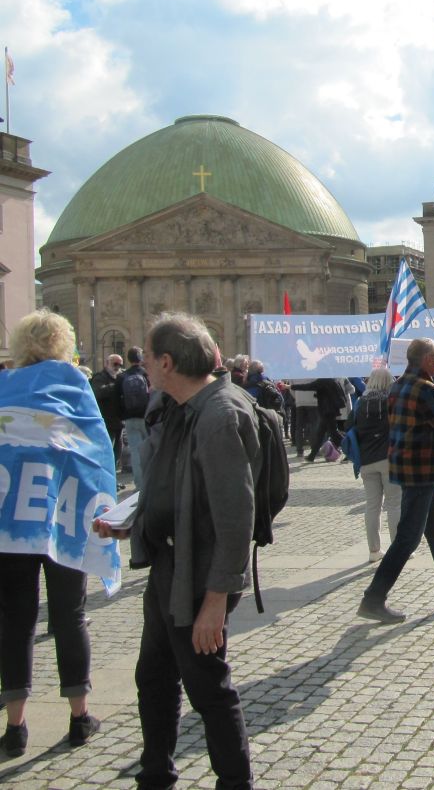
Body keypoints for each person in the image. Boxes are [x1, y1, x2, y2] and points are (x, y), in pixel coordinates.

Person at [94, 313, 258, 788]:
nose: (142, 366)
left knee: (208, 689)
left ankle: (235, 782)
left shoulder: (220, 413)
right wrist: (134, 524)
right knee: (155, 678)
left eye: (146, 357)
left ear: (166, 362)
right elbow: (171, 489)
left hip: (200, 575)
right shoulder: (178, 407)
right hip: (169, 563)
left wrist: (215, 601)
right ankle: (156, 773)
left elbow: (235, 518)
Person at [1, 311, 104, 757]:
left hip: (9, 524)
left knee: (15, 622)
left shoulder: (5, 385)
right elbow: (96, 450)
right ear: (64, 344)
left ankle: (15, 726)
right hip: (64, 518)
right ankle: (80, 716)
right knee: (70, 616)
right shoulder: (74, 385)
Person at [357, 338, 434, 623]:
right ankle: (373, 598)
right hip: (421, 470)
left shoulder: (398, 385)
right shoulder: (426, 389)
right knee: (408, 538)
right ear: (426, 359)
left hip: (405, 466)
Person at [354, 368, 399, 563]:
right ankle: (398, 548)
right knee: (394, 504)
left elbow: (349, 427)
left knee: (372, 506)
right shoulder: (392, 402)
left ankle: (374, 550)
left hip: (366, 459)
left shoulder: (360, 402)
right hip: (389, 457)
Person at [119, 346, 152, 490]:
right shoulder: (146, 374)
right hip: (146, 416)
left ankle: (140, 484)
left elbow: (117, 399)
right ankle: (152, 481)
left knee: (135, 452)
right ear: (140, 358)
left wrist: (122, 416)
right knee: (150, 449)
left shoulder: (122, 376)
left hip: (130, 418)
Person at [89, 352, 125, 470]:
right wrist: (114, 386)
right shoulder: (100, 377)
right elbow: (96, 393)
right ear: (107, 364)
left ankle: (113, 480)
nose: (117, 367)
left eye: (120, 364)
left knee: (117, 452)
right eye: (115, 364)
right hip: (106, 422)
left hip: (118, 421)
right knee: (106, 452)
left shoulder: (120, 377)